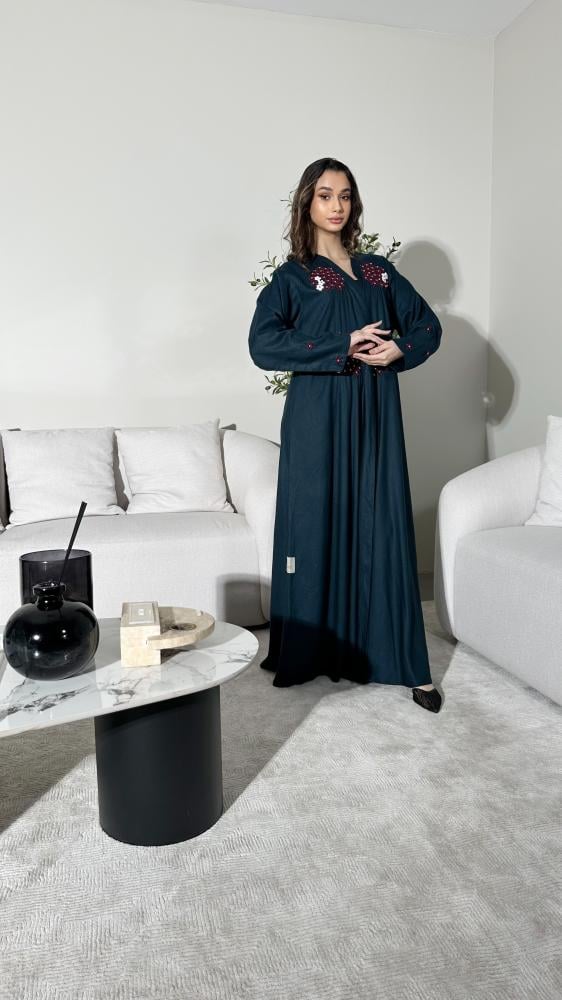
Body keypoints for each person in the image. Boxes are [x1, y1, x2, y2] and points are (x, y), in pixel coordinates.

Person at [248, 157, 443, 713]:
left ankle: (399, 660)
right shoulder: (293, 278)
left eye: (346, 195)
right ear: (307, 203)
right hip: (318, 418)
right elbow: (263, 345)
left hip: (376, 414)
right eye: (326, 195)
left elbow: (427, 326)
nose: (337, 206)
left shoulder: (378, 272)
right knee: (314, 524)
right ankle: (312, 652)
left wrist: (400, 348)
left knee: (381, 523)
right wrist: (342, 343)